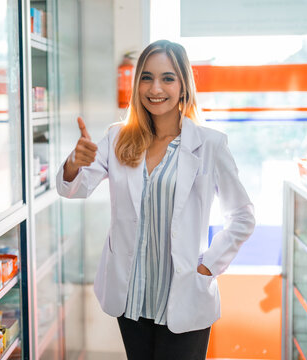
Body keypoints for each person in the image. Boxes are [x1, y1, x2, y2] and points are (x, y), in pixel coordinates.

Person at [56, 40, 255, 360]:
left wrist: (208, 266)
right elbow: (74, 189)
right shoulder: (117, 138)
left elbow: (243, 215)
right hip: (132, 296)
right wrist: (74, 164)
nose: (155, 87)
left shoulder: (209, 144)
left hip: (185, 293)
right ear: (137, 85)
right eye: (147, 77)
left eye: (167, 78)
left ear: (183, 86)